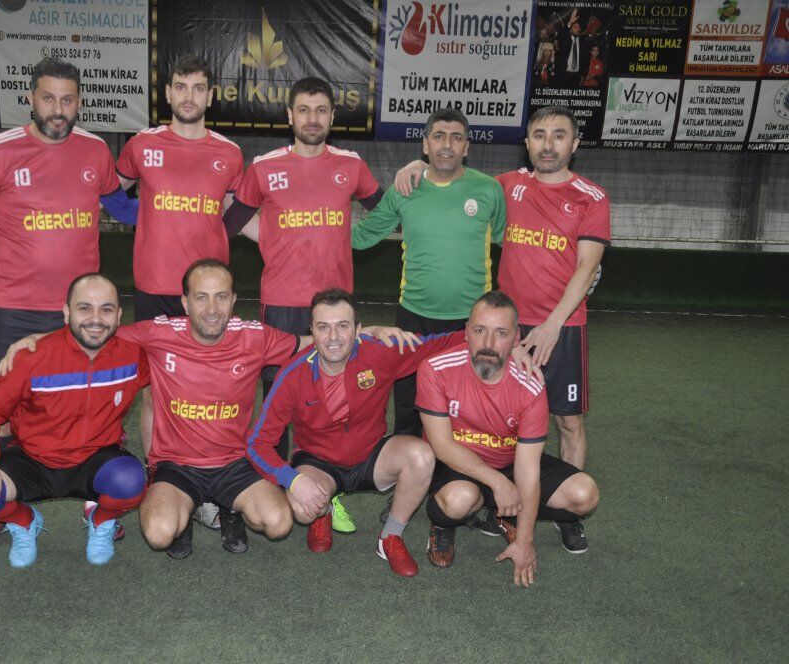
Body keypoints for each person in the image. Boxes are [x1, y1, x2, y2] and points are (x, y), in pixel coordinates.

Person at [0, 260, 417, 558]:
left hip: (235, 462)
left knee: (279, 524)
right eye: (201, 297)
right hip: (177, 465)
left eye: (221, 298)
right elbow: (96, 331)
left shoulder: (254, 336)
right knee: (159, 534)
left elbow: (318, 341)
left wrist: (367, 333)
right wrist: (39, 339)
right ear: (185, 302)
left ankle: (226, 507)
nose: (212, 309)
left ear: (233, 300)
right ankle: (195, 508)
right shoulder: (158, 333)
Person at [0, 57, 138, 550]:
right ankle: (1, 507)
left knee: (89, 401)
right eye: (48, 98)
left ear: (79, 103)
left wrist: (180, 208)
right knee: (5, 407)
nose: (58, 109)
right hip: (14, 305)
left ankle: (95, 496)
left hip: (82, 314)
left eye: (67, 100)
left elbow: (123, 208)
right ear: (31, 99)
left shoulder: (95, 151)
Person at [223, 76, 383, 531]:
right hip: (282, 305)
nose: (313, 119)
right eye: (304, 110)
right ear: (290, 116)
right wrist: (269, 238)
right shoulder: (265, 167)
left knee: (334, 401)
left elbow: (388, 211)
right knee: (279, 402)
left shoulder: (351, 165)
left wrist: (353, 238)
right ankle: (275, 490)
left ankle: (328, 489)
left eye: (321, 110)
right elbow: (231, 220)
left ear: (332, 116)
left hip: (334, 312)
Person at [246, 289, 468, 577]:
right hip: (319, 463)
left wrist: (490, 337)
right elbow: (257, 444)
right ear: (312, 331)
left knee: (422, 456)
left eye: (342, 326)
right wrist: (293, 479)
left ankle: (390, 536)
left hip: (372, 455)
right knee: (301, 507)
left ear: (358, 329)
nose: (333, 337)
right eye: (323, 327)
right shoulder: (292, 374)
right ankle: (323, 512)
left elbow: (439, 344)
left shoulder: (380, 351)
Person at [116, 54, 244, 530]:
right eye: (181, 86)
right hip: (155, 288)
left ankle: (208, 479)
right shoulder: (142, 145)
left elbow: (239, 210)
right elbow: (112, 192)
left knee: (208, 390)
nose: (189, 96)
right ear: (168, 93)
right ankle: (160, 477)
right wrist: (145, 217)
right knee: (155, 392)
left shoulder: (229, 153)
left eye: (198, 88)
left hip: (207, 297)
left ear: (210, 96)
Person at [0, 274, 148, 568]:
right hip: (33, 459)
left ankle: (101, 520)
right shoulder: (31, 357)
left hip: (95, 457)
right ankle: (23, 521)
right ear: (67, 312)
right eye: (84, 308)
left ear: (119, 315)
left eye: (106, 309)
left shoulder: (134, 356)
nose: (95, 319)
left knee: (132, 482)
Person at [416, 291, 599, 586]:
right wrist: (499, 483)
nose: (488, 343)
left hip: (509, 462)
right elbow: (442, 446)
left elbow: (527, 467)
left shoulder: (530, 385)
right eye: (480, 330)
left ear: (516, 339)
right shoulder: (435, 369)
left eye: (501, 333)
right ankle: (442, 526)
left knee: (584, 495)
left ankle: (502, 516)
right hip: (457, 465)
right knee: (458, 501)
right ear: (466, 332)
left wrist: (525, 541)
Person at [494, 106, 609, 551]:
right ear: (527, 142)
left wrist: (552, 326)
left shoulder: (591, 197)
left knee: (568, 422)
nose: (548, 143)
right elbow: (453, 181)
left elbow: (587, 267)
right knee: (499, 419)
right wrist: (416, 166)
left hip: (562, 327)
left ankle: (566, 515)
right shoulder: (507, 185)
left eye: (559, 135)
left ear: (574, 144)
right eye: (539, 134)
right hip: (507, 327)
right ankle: (502, 504)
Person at [351, 108, 506, 439]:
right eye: (438, 137)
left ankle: (456, 468)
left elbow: (512, 242)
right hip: (414, 319)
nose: (447, 145)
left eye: (456, 138)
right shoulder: (405, 189)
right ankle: (407, 464)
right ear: (425, 145)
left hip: (470, 321)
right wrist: (311, 229)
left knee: (465, 408)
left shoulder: (489, 189)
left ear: (467, 147)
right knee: (409, 409)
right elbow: (362, 236)